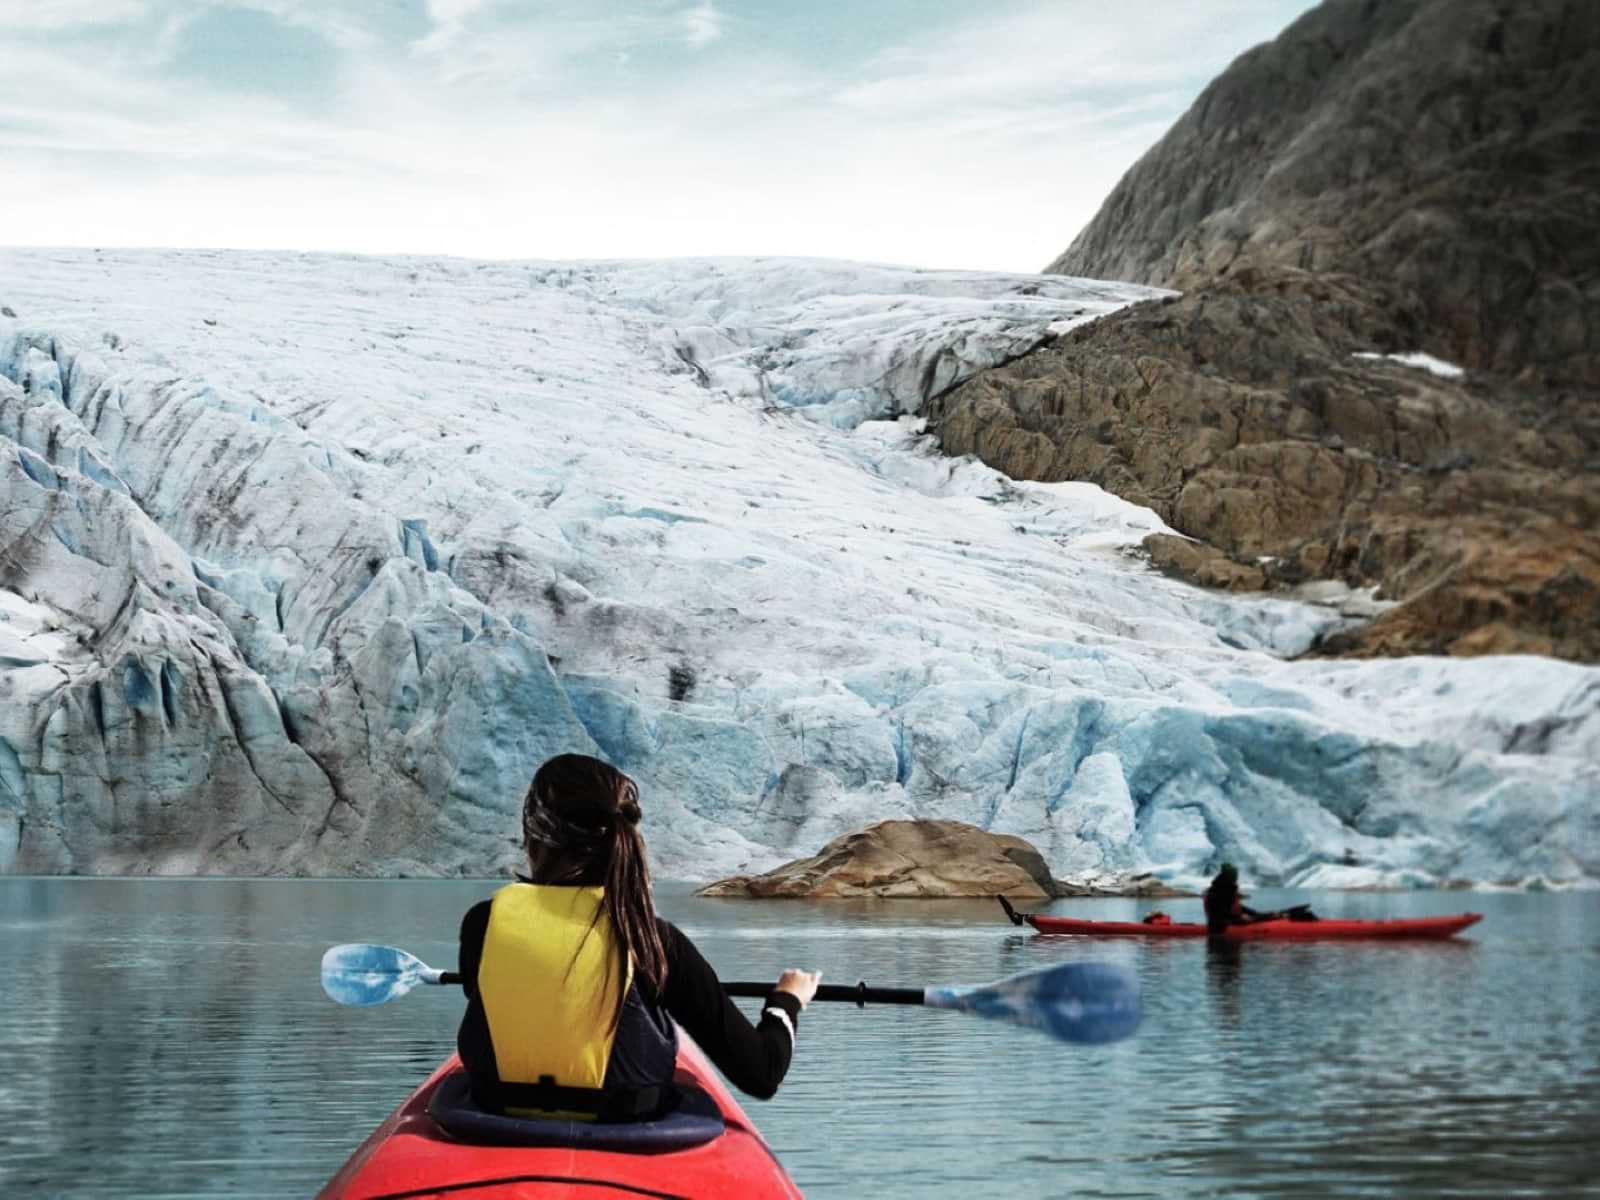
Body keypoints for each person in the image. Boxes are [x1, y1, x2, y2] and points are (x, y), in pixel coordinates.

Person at [456, 753, 820, 1119]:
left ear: (533, 839)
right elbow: (762, 1073)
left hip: (496, 1114)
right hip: (624, 1121)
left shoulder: (481, 925)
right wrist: (786, 1001)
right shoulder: (652, 941)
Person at [1202, 862, 1261, 935]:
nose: (1237, 877)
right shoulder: (1220, 891)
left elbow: (1235, 907)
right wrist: (1241, 919)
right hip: (1219, 926)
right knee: (1256, 918)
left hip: (1226, 921)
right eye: (1235, 875)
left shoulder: (1226, 888)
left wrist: (1255, 913)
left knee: (1258, 916)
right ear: (1231, 876)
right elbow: (1220, 913)